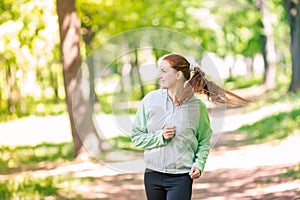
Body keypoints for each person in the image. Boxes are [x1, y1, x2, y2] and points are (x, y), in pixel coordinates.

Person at [131, 53, 250, 200]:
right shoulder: (150, 101)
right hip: (152, 175)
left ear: (178, 75)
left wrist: (199, 164)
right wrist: (160, 136)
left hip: (180, 178)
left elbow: (204, 140)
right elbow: (137, 138)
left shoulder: (197, 107)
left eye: (163, 71)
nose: (159, 76)